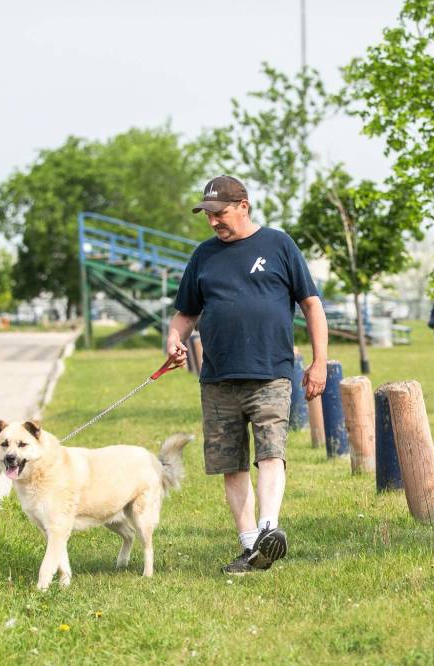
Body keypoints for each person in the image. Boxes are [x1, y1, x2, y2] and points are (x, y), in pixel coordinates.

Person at [164, 175, 328, 574]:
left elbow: (311, 304)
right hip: (218, 379)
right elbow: (186, 313)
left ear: (244, 206)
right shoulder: (203, 256)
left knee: (271, 451)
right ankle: (251, 545)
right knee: (231, 464)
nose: (213, 222)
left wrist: (319, 362)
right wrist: (173, 338)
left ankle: (270, 528)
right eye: (208, 215)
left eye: (219, 213)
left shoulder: (279, 245)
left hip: (270, 372)